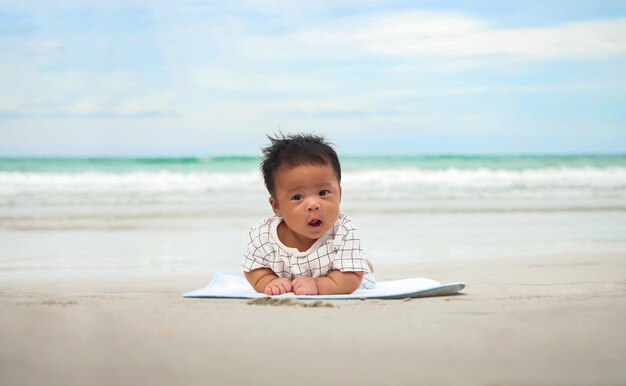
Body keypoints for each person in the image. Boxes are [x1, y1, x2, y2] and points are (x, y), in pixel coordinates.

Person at [241, 133, 375, 296]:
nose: (313, 204)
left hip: (339, 274)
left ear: (339, 194)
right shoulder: (262, 235)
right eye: (297, 197)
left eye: (323, 192)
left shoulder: (343, 230)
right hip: (293, 278)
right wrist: (270, 281)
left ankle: (363, 263)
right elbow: (253, 269)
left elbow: (351, 279)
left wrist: (318, 285)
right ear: (277, 206)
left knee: (360, 270)